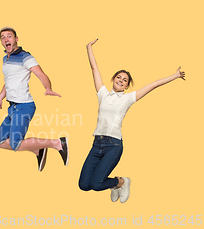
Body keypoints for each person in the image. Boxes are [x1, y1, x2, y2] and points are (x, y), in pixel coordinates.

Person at [78, 39, 186, 203]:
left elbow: (154, 84)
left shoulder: (128, 98)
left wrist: (175, 75)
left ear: (127, 86)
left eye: (125, 80)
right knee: (84, 185)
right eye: (119, 77)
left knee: (97, 183)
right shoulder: (103, 94)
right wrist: (88, 47)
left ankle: (122, 182)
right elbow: (94, 68)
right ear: (113, 78)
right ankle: (116, 185)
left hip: (113, 145)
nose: (121, 80)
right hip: (97, 143)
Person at [0, 27, 69, 172]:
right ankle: (38, 150)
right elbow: (9, 81)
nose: (6, 39)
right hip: (12, 107)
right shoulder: (6, 58)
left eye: (9, 36)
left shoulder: (25, 56)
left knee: (15, 143)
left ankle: (58, 143)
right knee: (0, 141)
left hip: (24, 105)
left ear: (16, 39)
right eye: (3, 37)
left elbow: (41, 74)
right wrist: (0, 97)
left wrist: (48, 88)